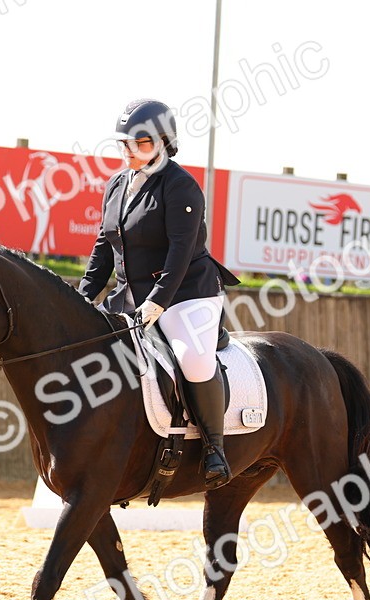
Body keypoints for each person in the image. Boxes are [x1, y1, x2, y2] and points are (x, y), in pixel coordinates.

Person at [79, 98, 241, 490]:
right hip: (129, 295)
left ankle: (214, 449)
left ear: (165, 142)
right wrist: (83, 297)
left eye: (142, 143)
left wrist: (159, 299)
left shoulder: (180, 185)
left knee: (194, 360)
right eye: (125, 144)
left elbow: (181, 250)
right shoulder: (116, 185)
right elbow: (105, 247)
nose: (131, 152)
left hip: (185, 293)